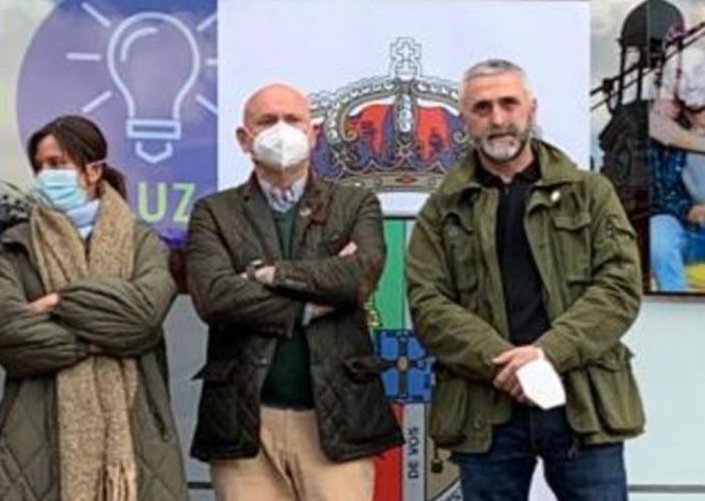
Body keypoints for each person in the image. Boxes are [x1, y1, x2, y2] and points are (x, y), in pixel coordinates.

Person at [406, 59, 644, 501]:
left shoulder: (590, 192)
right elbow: (428, 304)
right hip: (486, 409)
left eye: (508, 103)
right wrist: (505, 361)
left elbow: (620, 285)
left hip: (582, 402)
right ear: (465, 121)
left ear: (531, 109)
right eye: (482, 107)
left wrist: (547, 354)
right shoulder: (442, 210)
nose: (497, 118)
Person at [185, 83, 401, 501]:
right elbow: (214, 296)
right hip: (246, 424)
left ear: (313, 132)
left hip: (336, 422)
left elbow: (358, 278)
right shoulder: (214, 212)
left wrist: (267, 274)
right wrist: (307, 306)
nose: (281, 130)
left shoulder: (356, 205)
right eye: (266, 121)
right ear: (243, 139)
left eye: (293, 120)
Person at [0, 115, 188, 501]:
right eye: (40, 166)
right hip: (34, 437)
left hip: (135, 432)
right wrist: (101, 337)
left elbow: (142, 317)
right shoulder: (16, 248)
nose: (46, 174)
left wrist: (60, 301)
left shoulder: (143, 242)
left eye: (57, 164)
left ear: (93, 171)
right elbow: (10, 336)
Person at [649, 62, 705, 292]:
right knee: (658, 230)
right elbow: (658, 192)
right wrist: (688, 210)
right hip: (688, 230)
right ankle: (677, 311)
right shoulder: (666, 142)